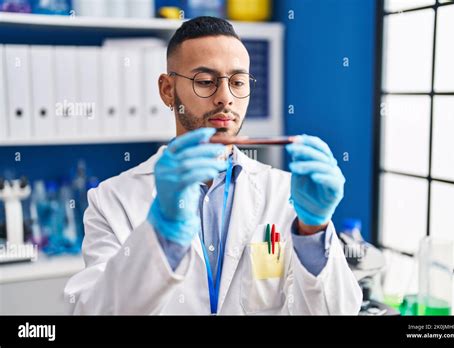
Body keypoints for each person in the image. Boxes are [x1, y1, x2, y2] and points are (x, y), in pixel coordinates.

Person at [64, 16, 362, 315]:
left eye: (238, 82)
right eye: (205, 82)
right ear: (168, 90)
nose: (225, 98)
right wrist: (161, 234)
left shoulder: (287, 193)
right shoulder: (112, 200)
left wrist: (313, 231)